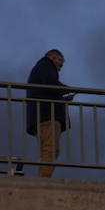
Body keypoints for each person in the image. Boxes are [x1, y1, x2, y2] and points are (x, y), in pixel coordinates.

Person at [25, 49, 73, 178]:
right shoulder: (46, 65)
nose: (60, 68)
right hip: (47, 115)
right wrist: (67, 89)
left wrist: (62, 99)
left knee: (48, 147)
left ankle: (43, 175)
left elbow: (46, 89)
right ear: (53, 58)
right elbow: (51, 84)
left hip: (41, 114)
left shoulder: (40, 67)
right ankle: (44, 177)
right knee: (51, 148)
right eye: (60, 64)